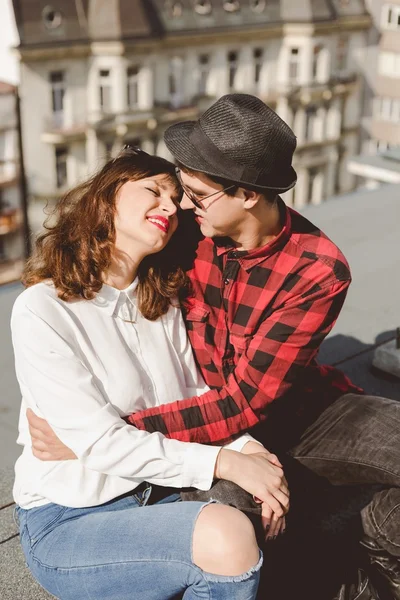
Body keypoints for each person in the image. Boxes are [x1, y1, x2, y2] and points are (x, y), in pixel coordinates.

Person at [27, 95, 400, 598]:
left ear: (246, 195)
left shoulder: (317, 269)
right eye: (175, 191)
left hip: (292, 413)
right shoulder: (179, 239)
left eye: (195, 195)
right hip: (207, 435)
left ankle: (373, 546)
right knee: (231, 527)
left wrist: (104, 434)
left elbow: (247, 400)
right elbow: (105, 262)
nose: (179, 205)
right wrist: (93, 432)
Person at [11, 147, 293, 600]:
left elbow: (196, 399)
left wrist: (253, 453)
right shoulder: (42, 310)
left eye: (177, 198)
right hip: (71, 517)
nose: (171, 206)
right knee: (227, 536)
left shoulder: (160, 303)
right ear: (106, 198)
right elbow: (100, 442)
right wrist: (224, 460)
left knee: (263, 518)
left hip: (159, 493)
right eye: (154, 191)